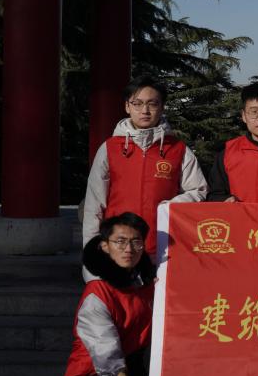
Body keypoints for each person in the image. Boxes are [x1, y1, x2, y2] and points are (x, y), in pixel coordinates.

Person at [82, 76, 209, 259]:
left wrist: (171, 205)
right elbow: (94, 204)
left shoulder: (178, 149)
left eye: (152, 104)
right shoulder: (110, 148)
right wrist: (91, 252)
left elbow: (198, 190)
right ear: (127, 107)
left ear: (162, 107)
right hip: (119, 247)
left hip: (165, 245)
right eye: (137, 103)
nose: (145, 110)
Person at [63, 212, 155, 376]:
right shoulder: (97, 294)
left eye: (136, 242)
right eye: (120, 242)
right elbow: (108, 360)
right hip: (92, 372)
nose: (129, 249)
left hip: (133, 363)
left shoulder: (147, 284)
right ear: (105, 246)